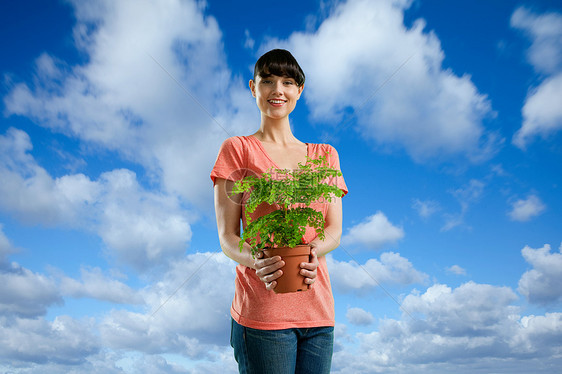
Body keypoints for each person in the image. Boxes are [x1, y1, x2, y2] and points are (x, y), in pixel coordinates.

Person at [211, 49, 348, 374]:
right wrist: (257, 261)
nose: (278, 90)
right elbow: (228, 237)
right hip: (262, 313)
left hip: (318, 313)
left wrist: (314, 251)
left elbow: (334, 230)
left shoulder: (324, 155)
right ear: (253, 87)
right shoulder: (238, 150)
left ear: (299, 90)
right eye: (268, 80)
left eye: (288, 82)